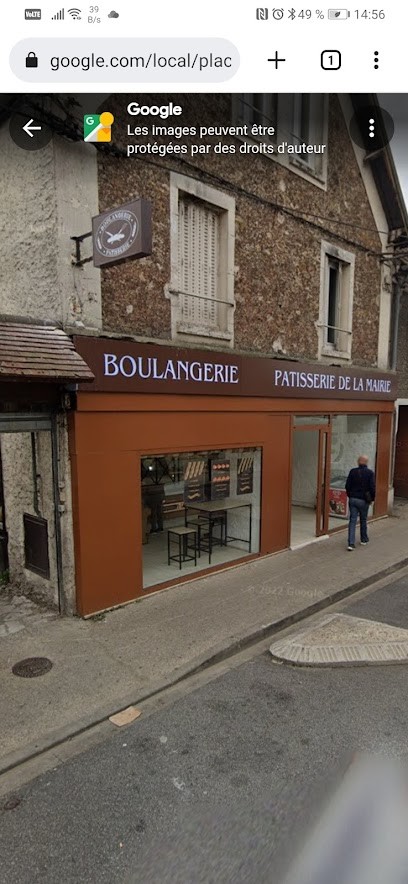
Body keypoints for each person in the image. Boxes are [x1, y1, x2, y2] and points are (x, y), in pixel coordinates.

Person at [345, 455, 376, 551]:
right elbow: (372, 488)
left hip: (353, 499)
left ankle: (351, 543)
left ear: (358, 462)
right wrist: (372, 499)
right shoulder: (370, 473)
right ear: (366, 462)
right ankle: (363, 539)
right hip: (364, 500)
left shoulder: (352, 471)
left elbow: (347, 486)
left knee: (352, 520)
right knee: (363, 520)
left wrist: (350, 496)